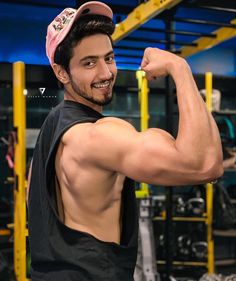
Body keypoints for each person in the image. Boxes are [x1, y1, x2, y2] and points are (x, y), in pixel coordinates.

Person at [27, 1, 223, 280]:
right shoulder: (98, 135)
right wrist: (179, 67)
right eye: (89, 63)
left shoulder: (52, 129)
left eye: (108, 58)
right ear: (61, 72)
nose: (106, 73)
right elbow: (206, 165)